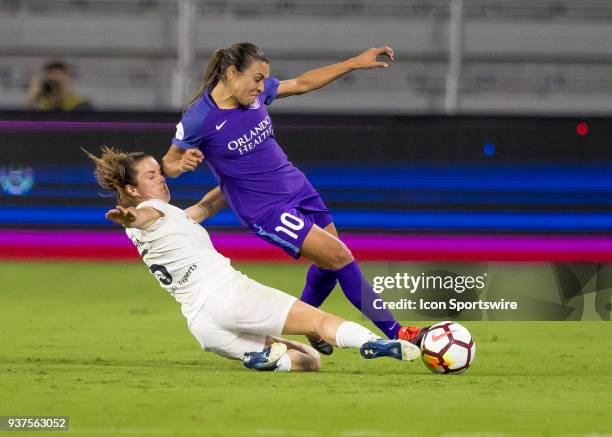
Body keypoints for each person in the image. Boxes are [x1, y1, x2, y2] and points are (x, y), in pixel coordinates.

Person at [161, 43, 427, 353]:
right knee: (340, 256)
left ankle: (312, 328)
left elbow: (302, 84)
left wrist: (354, 62)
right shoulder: (199, 118)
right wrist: (179, 165)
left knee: (330, 264)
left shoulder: (254, 96)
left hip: (298, 188)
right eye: (257, 79)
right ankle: (397, 331)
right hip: (266, 209)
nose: (262, 88)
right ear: (232, 73)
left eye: (265, 80)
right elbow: (169, 162)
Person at [84, 146, 421, 372]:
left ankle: (267, 359)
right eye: (152, 175)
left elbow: (207, 205)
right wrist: (129, 216)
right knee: (320, 323)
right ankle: (377, 343)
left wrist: (239, 173)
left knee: (309, 361)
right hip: (229, 296)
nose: (162, 177)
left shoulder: (172, 219)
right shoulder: (149, 212)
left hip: (204, 325)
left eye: (160, 170)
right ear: (131, 190)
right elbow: (142, 217)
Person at [27, 60, 92, 111]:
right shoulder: (42, 106)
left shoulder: (81, 105)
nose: (55, 87)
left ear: (69, 81)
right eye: (51, 82)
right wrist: (32, 101)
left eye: (59, 81)